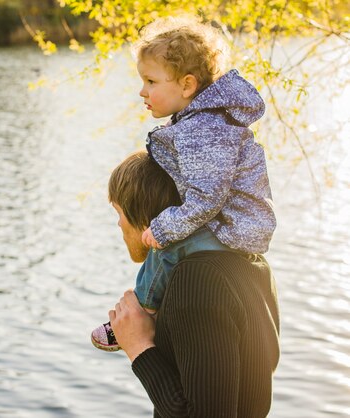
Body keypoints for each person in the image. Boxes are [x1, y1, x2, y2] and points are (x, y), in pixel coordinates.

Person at [91, 16, 276, 351]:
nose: (142, 91)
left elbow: (207, 197)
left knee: (167, 244)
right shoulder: (203, 120)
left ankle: (143, 313)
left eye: (151, 81)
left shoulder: (203, 129)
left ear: (187, 85)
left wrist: (165, 228)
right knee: (168, 242)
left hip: (232, 228)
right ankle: (148, 304)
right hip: (233, 223)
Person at [107, 150, 280, 417]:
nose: (118, 223)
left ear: (145, 220)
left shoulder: (196, 278)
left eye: (117, 211)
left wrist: (139, 346)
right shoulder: (253, 263)